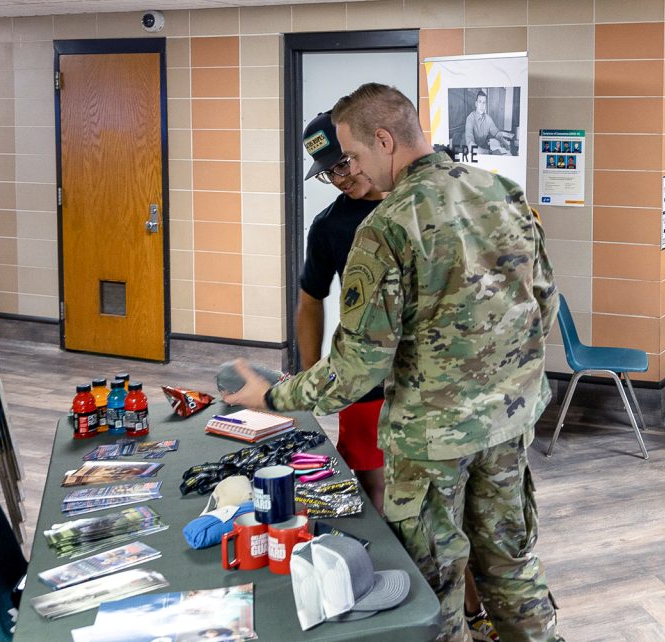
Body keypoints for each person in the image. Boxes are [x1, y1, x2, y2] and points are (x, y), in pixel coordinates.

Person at [225, 83, 560, 641]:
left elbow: (357, 369)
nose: (350, 169)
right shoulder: (501, 190)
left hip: (431, 440)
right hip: (509, 422)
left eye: (351, 155)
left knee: (433, 588)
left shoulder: (388, 226)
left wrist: (274, 396)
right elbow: (542, 303)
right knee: (512, 567)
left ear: (384, 140)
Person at [299, 111, 386, 511]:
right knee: (373, 486)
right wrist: (307, 377)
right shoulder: (328, 226)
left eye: (343, 164)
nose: (339, 178)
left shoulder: (420, 202)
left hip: (430, 381)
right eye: (328, 172)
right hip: (364, 381)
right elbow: (310, 299)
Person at [464, 90, 510, 154]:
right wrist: (490, 153)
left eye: (484, 102)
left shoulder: (488, 118)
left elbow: (496, 132)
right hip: (471, 152)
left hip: (483, 149)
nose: (482, 105)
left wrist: (502, 141)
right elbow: (470, 145)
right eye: (480, 102)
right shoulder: (470, 118)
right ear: (476, 104)